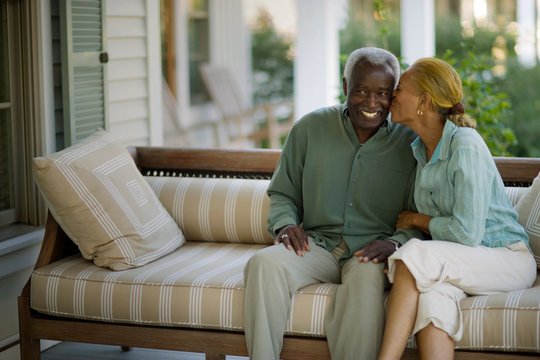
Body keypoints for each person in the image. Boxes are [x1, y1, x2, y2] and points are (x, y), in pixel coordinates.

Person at [243, 47, 425, 360]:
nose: (372, 103)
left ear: (394, 94)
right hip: (317, 246)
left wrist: (395, 244)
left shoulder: (411, 141)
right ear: (345, 87)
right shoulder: (310, 128)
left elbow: (421, 215)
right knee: (263, 264)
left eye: (382, 93)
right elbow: (284, 192)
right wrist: (285, 223)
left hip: (370, 253)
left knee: (367, 281)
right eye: (362, 91)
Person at [377, 57, 537, 360]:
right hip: (463, 260)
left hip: (507, 258)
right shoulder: (421, 150)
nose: (392, 96)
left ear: (424, 100)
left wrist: (418, 219)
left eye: (400, 89)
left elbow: (467, 232)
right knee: (432, 300)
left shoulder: (465, 145)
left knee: (414, 255)